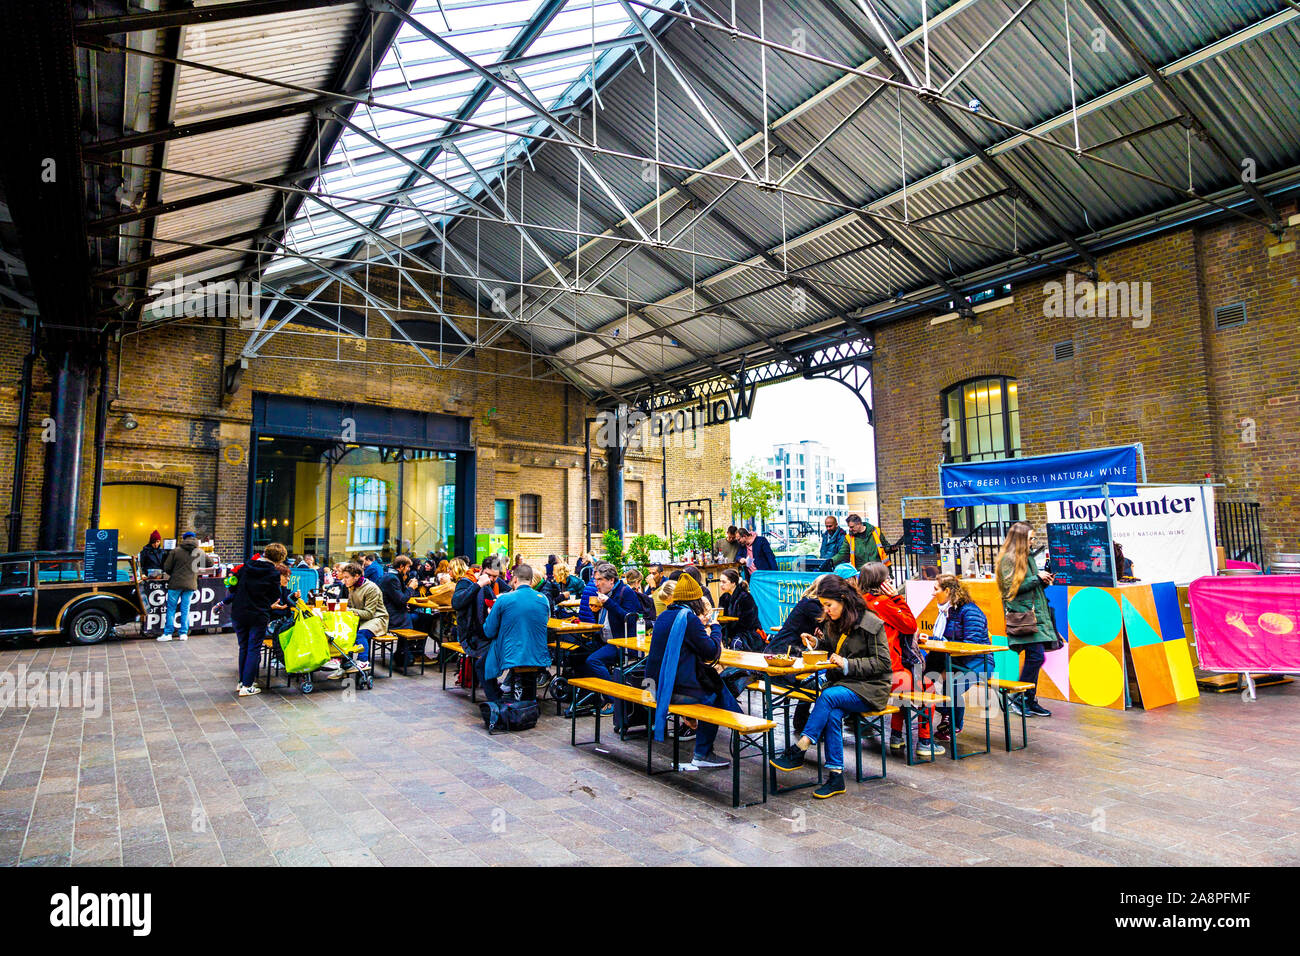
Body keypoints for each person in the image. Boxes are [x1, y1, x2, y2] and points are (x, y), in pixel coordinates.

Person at [769, 574, 892, 798]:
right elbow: (830, 646)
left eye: (829, 605)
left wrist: (846, 663)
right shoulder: (832, 621)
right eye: (824, 605)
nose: (826, 610)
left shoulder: (870, 623)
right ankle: (836, 777)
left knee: (827, 697)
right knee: (832, 713)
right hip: (845, 685)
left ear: (843, 599)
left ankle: (801, 747)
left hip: (872, 687)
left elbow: (883, 663)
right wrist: (816, 643)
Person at [644, 572, 736, 771]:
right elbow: (711, 653)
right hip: (674, 690)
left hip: (655, 685)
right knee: (714, 695)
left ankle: (738, 720)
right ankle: (704, 752)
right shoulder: (688, 619)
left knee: (716, 686)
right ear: (695, 601)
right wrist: (715, 627)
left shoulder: (663, 617)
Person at [856, 562, 938, 755]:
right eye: (887, 578)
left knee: (907, 689)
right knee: (928, 688)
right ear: (881, 582)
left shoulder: (858, 603)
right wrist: (897, 597)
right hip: (887, 671)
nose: (891, 580)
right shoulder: (883, 603)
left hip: (862, 671)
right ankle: (925, 742)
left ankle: (896, 736)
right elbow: (910, 625)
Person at [996, 521, 1059, 718]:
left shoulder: (1028, 558)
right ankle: (1021, 699)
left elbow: (1030, 587)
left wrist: (1043, 581)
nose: (1033, 541)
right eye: (1030, 538)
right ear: (1021, 539)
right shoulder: (1008, 559)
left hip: (1035, 615)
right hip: (1023, 616)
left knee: (1036, 656)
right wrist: (1037, 579)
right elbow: (1010, 589)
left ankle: (1027, 699)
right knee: (1036, 656)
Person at [929, 574, 993, 742]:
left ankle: (953, 723)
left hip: (979, 661)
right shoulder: (947, 611)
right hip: (956, 660)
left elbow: (971, 646)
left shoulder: (970, 611)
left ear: (948, 591)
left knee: (951, 685)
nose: (933, 593)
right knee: (927, 677)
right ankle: (946, 716)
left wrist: (943, 645)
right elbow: (949, 642)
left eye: (936, 589)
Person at [574, 562, 641, 715]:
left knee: (593, 660)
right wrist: (596, 611)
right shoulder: (604, 594)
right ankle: (590, 697)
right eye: (595, 580)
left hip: (621, 643)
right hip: (604, 639)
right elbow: (605, 620)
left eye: (600, 580)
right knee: (576, 655)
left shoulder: (625, 592)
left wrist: (608, 603)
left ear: (611, 580)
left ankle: (613, 699)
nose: (596, 584)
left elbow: (630, 619)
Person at [481, 563, 551, 704]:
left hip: (511, 653)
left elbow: (488, 631)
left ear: (514, 580)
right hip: (538, 654)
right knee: (527, 663)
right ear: (531, 582)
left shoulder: (504, 599)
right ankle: (528, 703)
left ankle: (497, 702)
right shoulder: (544, 599)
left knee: (481, 665)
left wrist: (490, 614)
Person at [229, 542, 286, 697]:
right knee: (254, 647)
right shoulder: (273, 573)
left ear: (265, 553)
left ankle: (242, 682)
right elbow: (275, 594)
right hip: (258, 613)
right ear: (279, 559)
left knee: (244, 647)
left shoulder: (247, 566)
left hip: (239, 612)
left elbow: (232, 587)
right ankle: (247, 686)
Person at [453, 553, 509, 668]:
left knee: (515, 645)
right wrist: (479, 584)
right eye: (489, 575)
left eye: (495, 576)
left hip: (486, 631)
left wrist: (500, 597)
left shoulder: (495, 582)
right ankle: (489, 682)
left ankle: (508, 683)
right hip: (470, 635)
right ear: (481, 569)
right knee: (501, 649)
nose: (492, 579)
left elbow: (510, 591)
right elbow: (456, 603)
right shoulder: (466, 581)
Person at [158, 531, 211, 642]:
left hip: (175, 584)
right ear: (194, 539)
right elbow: (210, 563)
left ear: (184, 539)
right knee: (185, 609)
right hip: (190, 584)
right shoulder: (198, 551)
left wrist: (174, 572)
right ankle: (183, 633)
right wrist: (196, 565)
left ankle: (168, 634)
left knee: (171, 609)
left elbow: (167, 567)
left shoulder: (176, 551)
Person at [335, 563, 382, 668]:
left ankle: (363, 661)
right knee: (341, 630)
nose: (344, 580)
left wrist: (349, 610)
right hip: (359, 618)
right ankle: (345, 662)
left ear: (356, 576)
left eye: (347, 577)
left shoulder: (371, 588)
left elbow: (369, 613)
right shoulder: (351, 586)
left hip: (376, 619)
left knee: (360, 634)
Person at [380, 555, 417, 666]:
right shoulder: (392, 578)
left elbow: (397, 598)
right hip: (392, 616)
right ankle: (404, 654)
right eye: (408, 567)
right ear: (401, 566)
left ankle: (408, 652)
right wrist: (411, 588)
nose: (409, 570)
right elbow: (401, 600)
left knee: (422, 618)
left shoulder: (390, 575)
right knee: (418, 619)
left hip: (392, 611)